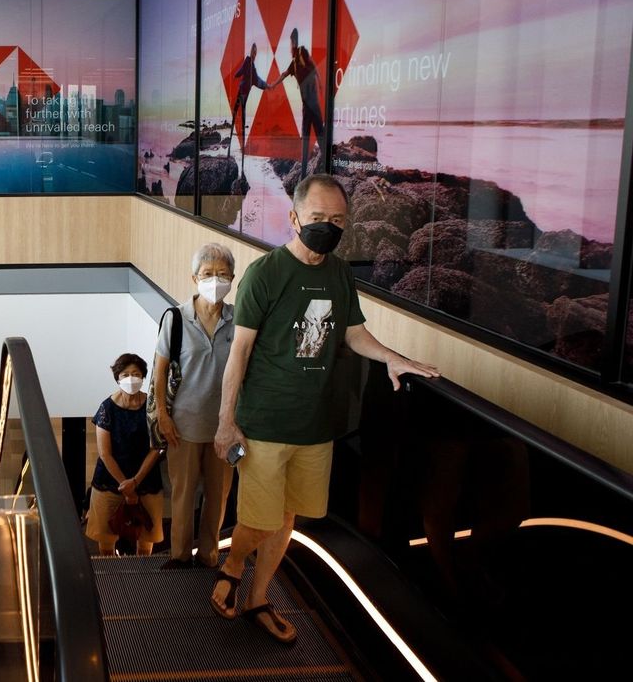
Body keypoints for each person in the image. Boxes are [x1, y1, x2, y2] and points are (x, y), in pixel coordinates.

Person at [211, 174, 439, 644]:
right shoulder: (265, 274)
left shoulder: (339, 274)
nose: (327, 227)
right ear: (294, 218)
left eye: (337, 220)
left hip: (316, 427)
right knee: (260, 518)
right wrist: (225, 422)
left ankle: (258, 598)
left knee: (288, 517)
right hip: (265, 423)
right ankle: (232, 565)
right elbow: (239, 352)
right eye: (317, 217)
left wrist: (392, 357)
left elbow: (352, 332)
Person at [154, 242, 237, 569]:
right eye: (207, 274)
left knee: (218, 497)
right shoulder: (176, 318)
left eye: (222, 274)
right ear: (194, 278)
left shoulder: (239, 319)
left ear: (232, 278)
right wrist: (163, 415)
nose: (215, 280)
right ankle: (179, 556)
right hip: (183, 426)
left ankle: (208, 556)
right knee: (183, 494)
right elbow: (160, 371)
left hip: (225, 428)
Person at [85, 353, 164, 556]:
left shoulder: (152, 406)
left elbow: (156, 447)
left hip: (147, 479)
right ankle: (109, 576)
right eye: (125, 374)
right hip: (109, 480)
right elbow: (105, 453)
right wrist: (126, 486)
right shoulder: (106, 408)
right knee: (105, 540)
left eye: (136, 374)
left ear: (143, 377)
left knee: (146, 538)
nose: (131, 379)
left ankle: (141, 576)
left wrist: (135, 482)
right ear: (117, 378)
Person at [271, 28, 324, 174]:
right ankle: (304, 173)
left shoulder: (302, 52)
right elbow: (284, 74)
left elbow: (313, 66)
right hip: (306, 104)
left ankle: (324, 167)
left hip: (312, 102)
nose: (290, 47)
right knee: (306, 137)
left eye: (290, 43)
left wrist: (320, 84)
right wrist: (273, 84)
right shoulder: (294, 63)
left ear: (293, 42)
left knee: (319, 133)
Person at [228, 42, 269, 167]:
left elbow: (257, 81)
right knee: (236, 115)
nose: (254, 54)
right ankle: (231, 148)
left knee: (241, 117)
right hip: (241, 93)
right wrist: (236, 75)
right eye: (253, 52)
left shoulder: (252, 67)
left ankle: (240, 149)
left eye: (255, 52)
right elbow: (242, 72)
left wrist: (267, 86)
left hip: (244, 94)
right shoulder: (248, 61)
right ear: (251, 52)